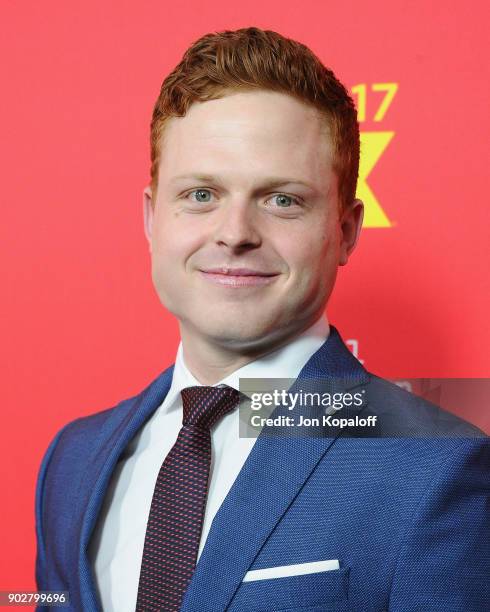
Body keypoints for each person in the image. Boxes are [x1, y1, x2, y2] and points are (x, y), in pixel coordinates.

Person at [35, 27, 489, 612]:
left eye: (282, 200)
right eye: (201, 194)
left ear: (346, 231)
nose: (235, 233)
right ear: (152, 218)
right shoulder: (72, 460)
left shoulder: (434, 468)